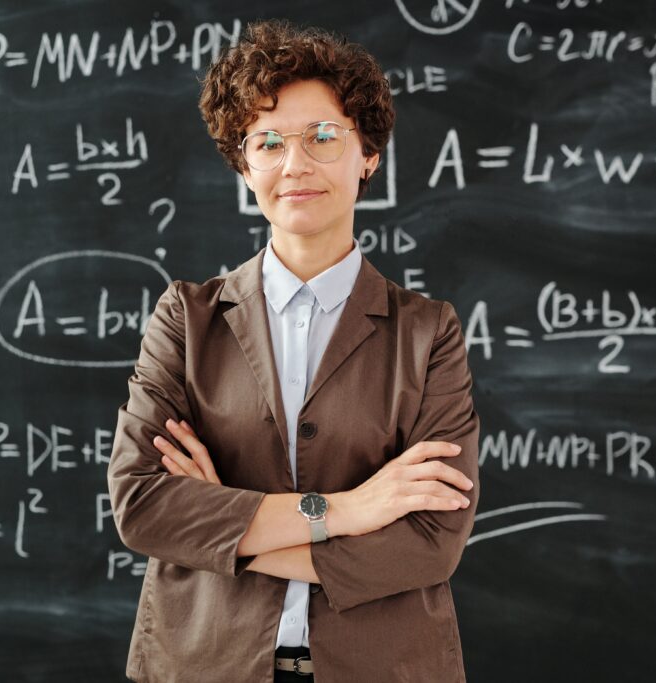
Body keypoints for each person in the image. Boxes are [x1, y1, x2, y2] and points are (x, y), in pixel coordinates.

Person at [107, 18, 481, 683]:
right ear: (243, 162)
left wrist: (226, 528)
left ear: (367, 155)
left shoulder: (429, 332)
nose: (295, 164)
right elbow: (143, 504)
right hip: (202, 666)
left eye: (323, 137)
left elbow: (428, 543)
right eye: (269, 140)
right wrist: (347, 510)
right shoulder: (186, 320)